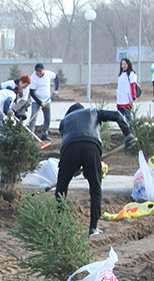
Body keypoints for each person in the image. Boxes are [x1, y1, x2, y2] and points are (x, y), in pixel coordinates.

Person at [56, 103, 134, 237]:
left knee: (61, 189)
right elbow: (117, 115)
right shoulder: (94, 112)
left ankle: (59, 226)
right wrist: (127, 134)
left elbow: (70, 142)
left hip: (69, 149)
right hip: (91, 147)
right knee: (95, 188)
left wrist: (73, 168)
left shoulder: (65, 121)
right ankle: (93, 228)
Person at [28, 63, 57, 141]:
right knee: (33, 118)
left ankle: (44, 135)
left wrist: (56, 89)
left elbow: (56, 77)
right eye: (37, 71)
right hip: (36, 101)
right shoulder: (33, 78)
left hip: (47, 101)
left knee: (47, 119)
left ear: (44, 70)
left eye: (40, 71)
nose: (38, 73)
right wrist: (40, 102)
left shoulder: (48, 74)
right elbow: (32, 93)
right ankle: (30, 136)